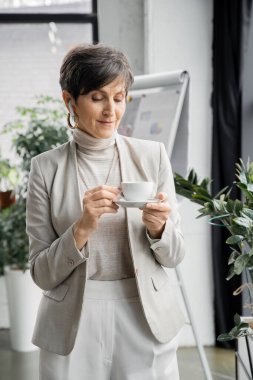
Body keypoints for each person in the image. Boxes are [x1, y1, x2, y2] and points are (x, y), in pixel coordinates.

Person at [26, 43, 186, 380]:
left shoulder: (153, 156)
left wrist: (160, 231)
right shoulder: (45, 168)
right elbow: (41, 273)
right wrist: (81, 228)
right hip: (73, 318)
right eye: (97, 97)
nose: (110, 110)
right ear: (69, 101)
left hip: (144, 314)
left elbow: (175, 255)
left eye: (118, 97)